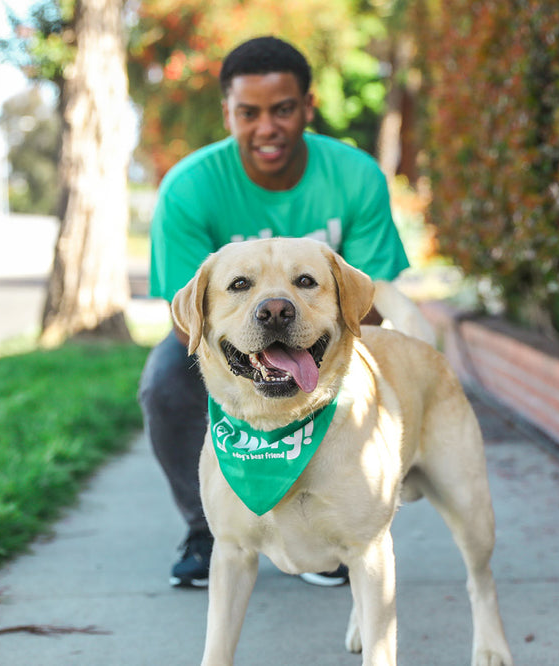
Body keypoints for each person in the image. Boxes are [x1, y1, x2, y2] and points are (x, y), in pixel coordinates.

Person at [139, 35, 411, 589]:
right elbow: (188, 321)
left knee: (370, 375)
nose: (267, 127)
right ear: (228, 113)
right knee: (164, 383)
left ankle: (330, 527)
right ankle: (208, 527)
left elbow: (370, 303)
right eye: (249, 113)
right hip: (231, 341)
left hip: (329, 337)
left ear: (308, 107)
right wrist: (257, 356)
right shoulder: (188, 188)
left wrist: (318, 355)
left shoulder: (356, 177)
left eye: (283, 110)